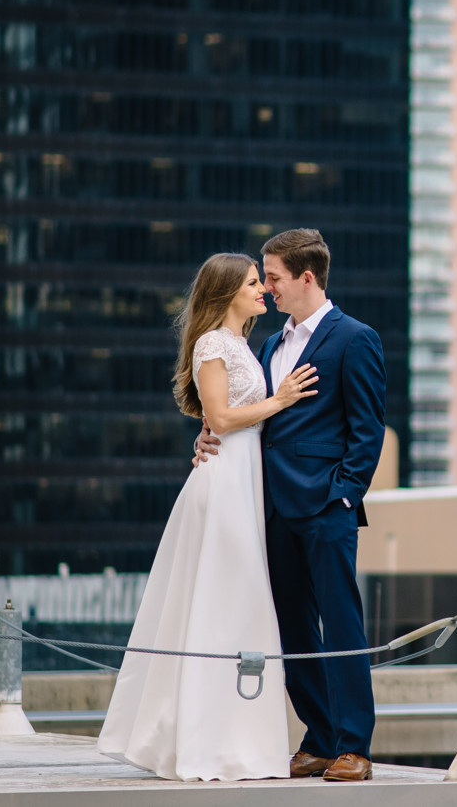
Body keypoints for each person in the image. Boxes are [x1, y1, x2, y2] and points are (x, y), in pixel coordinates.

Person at [98, 252, 319, 781]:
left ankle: (237, 741)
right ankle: (205, 743)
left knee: (240, 607)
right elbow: (219, 416)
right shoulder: (213, 343)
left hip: (243, 482)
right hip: (223, 489)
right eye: (252, 283)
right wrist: (281, 399)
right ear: (227, 293)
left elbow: (219, 423)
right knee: (220, 606)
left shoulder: (244, 345)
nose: (262, 289)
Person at [192, 228, 387, 783]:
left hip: (327, 507)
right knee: (290, 629)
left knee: (342, 625)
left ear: (306, 278)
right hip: (268, 507)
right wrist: (209, 436)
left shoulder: (355, 338)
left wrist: (343, 495)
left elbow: (367, 431)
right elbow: (243, 413)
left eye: (273, 277)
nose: (268, 287)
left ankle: (355, 745)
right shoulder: (268, 345)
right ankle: (321, 737)